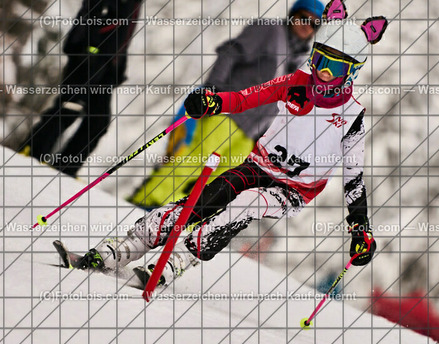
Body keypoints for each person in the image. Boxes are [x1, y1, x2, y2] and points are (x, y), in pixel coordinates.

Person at [68, 0, 388, 287]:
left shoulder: (351, 116)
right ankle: (125, 248)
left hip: (293, 190)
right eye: (320, 60)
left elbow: (353, 178)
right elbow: (247, 97)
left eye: (336, 67)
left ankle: (179, 259)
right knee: (201, 200)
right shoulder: (296, 81)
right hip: (258, 167)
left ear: (352, 72)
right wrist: (213, 101)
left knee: (246, 203)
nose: (324, 73)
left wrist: (359, 226)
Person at [128, 0, 325, 209]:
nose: (307, 26)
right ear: (293, 15)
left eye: (314, 24)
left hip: (251, 134)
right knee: (195, 161)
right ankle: (148, 201)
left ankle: (176, 215)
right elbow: (231, 52)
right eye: (304, 18)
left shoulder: (299, 60)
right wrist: (213, 89)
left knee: (222, 181)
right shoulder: (270, 31)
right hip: (227, 112)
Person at [20, 0, 142, 177]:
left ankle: (65, 169)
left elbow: (125, 30)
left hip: (107, 64)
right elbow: (92, 9)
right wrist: (89, 48)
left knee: (98, 122)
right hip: (87, 54)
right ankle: (31, 152)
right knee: (69, 107)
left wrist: (119, 67)